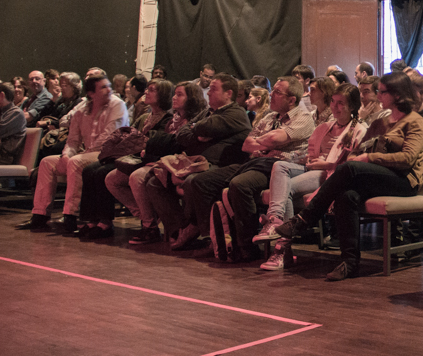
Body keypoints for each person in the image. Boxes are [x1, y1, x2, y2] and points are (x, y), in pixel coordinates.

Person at [275, 71, 423, 281]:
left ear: (398, 95)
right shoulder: (380, 122)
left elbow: (408, 159)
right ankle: (349, 262)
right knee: (346, 196)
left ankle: (304, 219)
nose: (377, 95)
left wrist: (369, 158)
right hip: (377, 178)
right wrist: (360, 157)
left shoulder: (415, 121)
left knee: (349, 168)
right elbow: (358, 151)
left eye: (382, 92)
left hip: (404, 181)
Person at [176, 75, 315, 257]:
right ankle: (214, 237)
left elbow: (274, 138)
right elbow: (247, 145)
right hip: (255, 163)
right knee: (201, 181)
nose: (271, 94)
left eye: (277, 92)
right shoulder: (269, 117)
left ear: (291, 100)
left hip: (278, 167)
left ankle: (247, 246)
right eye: (273, 91)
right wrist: (266, 142)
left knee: (240, 184)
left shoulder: (303, 118)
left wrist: (263, 142)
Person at [255, 83, 368, 270]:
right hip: (314, 169)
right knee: (280, 165)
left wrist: (325, 164)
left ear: (352, 106)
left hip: (331, 175)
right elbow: (313, 153)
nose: (335, 106)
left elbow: (350, 167)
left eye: (341, 103)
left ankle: (282, 250)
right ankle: (275, 219)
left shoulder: (359, 130)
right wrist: (309, 159)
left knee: (286, 189)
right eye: (333, 101)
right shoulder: (326, 127)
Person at [148, 74, 250, 245]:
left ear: (228, 94)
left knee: (193, 181)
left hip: (222, 166)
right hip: (197, 163)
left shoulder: (236, 113)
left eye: (213, 89)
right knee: (155, 181)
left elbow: (205, 127)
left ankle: (199, 230)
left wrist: (195, 128)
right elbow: (182, 134)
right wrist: (197, 134)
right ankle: (179, 228)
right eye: (209, 89)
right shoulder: (208, 112)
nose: (208, 93)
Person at [21, 76, 128, 233]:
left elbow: (109, 137)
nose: (109, 90)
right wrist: (66, 154)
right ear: (91, 93)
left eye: (108, 86)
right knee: (47, 163)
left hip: (108, 154)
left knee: (76, 162)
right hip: (87, 154)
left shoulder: (117, 105)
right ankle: (40, 215)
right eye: (103, 87)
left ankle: (70, 215)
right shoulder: (81, 110)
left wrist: (78, 155)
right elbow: (72, 140)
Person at [106, 80, 208, 245]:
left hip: (178, 165)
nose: (174, 97)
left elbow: (177, 148)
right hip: (160, 161)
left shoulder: (193, 122)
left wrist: (150, 152)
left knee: (137, 177)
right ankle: (149, 216)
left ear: (191, 98)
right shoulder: (172, 120)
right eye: (175, 94)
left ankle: (150, 227)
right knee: (112, 178)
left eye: (180, 95)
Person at [77, 79, 175, 240]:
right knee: (90, 170)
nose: (146, 92)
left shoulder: (167, 119)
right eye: (147, 89)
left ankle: (105, 222)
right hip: (130, 156)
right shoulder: (145, 116)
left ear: (162, 95)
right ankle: (93, 219)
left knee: (102, 173)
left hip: (143, 159)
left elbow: (155, 144)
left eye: (151, 90)